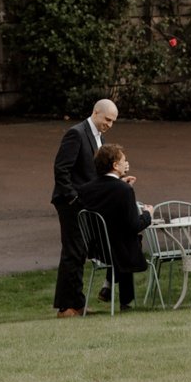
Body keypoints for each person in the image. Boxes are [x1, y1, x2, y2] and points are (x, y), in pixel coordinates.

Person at [50, 98, 117, 316]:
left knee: (79, 253)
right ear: (96, 112)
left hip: (85, 202)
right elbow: (61, 169)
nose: (109, 124)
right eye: (107, 119)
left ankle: (76, 303)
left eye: (113, 121)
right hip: (70, 203)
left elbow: (94, 173)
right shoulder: (76, 134)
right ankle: (67, 306)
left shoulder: (99, 137)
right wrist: (72, 198)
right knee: (73, 251)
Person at [73, 143, 150, 312]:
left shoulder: (86, 189)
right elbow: (134, 225)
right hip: (120, 250)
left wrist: (122, 186)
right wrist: (147, 214)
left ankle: (109, 285)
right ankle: (125, 301)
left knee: (123, 241)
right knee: (133, 240)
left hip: (97, 248)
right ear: (115, 165)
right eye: (124, 161)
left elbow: (105, 207)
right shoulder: (123, 190)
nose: (126, 163)